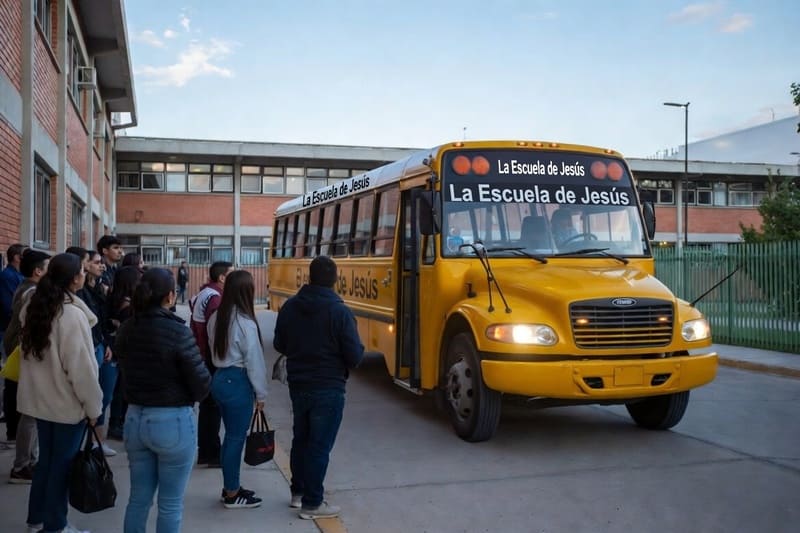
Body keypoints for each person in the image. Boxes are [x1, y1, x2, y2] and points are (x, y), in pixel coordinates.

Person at [115, 268, 211, 533]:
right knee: (170, 504)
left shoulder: (127, 328)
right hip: (173, 421)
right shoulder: (177, 332)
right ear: (170, 296)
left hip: (135, 418)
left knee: (138, 499)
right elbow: (201, 383)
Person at [273, 255, 364, 520]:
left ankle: (298, 493)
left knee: (301, 439)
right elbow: (355, 357)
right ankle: (313, 503)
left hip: (299, 384)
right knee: (319, 446)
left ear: (309, 277)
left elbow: (280, 344)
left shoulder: (290, 307)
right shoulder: (340, 312)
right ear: (335, 279)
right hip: (329, 386)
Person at [18, 252, 103, 533]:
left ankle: (37, 520)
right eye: (81, 271)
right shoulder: (71, 316)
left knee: (47, 463)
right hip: (67, 405)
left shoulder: (35, 305)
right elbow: (82, 372)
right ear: (75, 278)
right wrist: (94, 409)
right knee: (61, 468)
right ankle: (55, 525)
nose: (85, 274)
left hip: (41, 402)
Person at [208, 270, 267, 509]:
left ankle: (230, 486)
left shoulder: (217, 318)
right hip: (237, 381)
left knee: (229, 437)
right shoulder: (244, 323)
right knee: (235, 438)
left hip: (220, 378)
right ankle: (232, 493)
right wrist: (261, 394)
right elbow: (254, 362)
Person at [3, 249, 49, 484]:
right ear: (38, 271)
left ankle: (28, 461)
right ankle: (22, 465)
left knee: (30, 412)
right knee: (31, 413)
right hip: (26, 355)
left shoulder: (26, 287)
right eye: (47, 267)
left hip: (22, 352)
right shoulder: (32, 292)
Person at [69, 247, 118, 457]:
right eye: (96, 262)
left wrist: (106, 343)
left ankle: (98, 441)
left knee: (103, 396)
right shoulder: (77, 295)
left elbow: (99, 321)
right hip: (87, 348)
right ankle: (82, 442)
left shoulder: (97, 287)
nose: (101, 266)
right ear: (83, 265)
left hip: (100, 344)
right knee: (88, 395)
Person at [190, 261, 233, 467]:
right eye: (231, 274)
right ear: (222, 278)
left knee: (208, 408)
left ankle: (206, 452)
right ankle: (211, 453)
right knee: (212, 409)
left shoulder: (206, 293)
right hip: (209, 359)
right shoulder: (215, 299)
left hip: (202, 356)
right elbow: (215, 333)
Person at [105, 266, 142, 440]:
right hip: (123, 352)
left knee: (119, 390)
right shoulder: (126, 304)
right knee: (121, 391)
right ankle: (116, 424)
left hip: (118, 350)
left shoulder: (114, 298)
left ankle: (117, 423)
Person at [1, 243, 26, 443]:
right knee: (12, 382)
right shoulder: (8, 277)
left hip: (15, 334)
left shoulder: (19, 277)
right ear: (17, 257)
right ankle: (12, 430)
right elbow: (10, 308)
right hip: (9, 334)